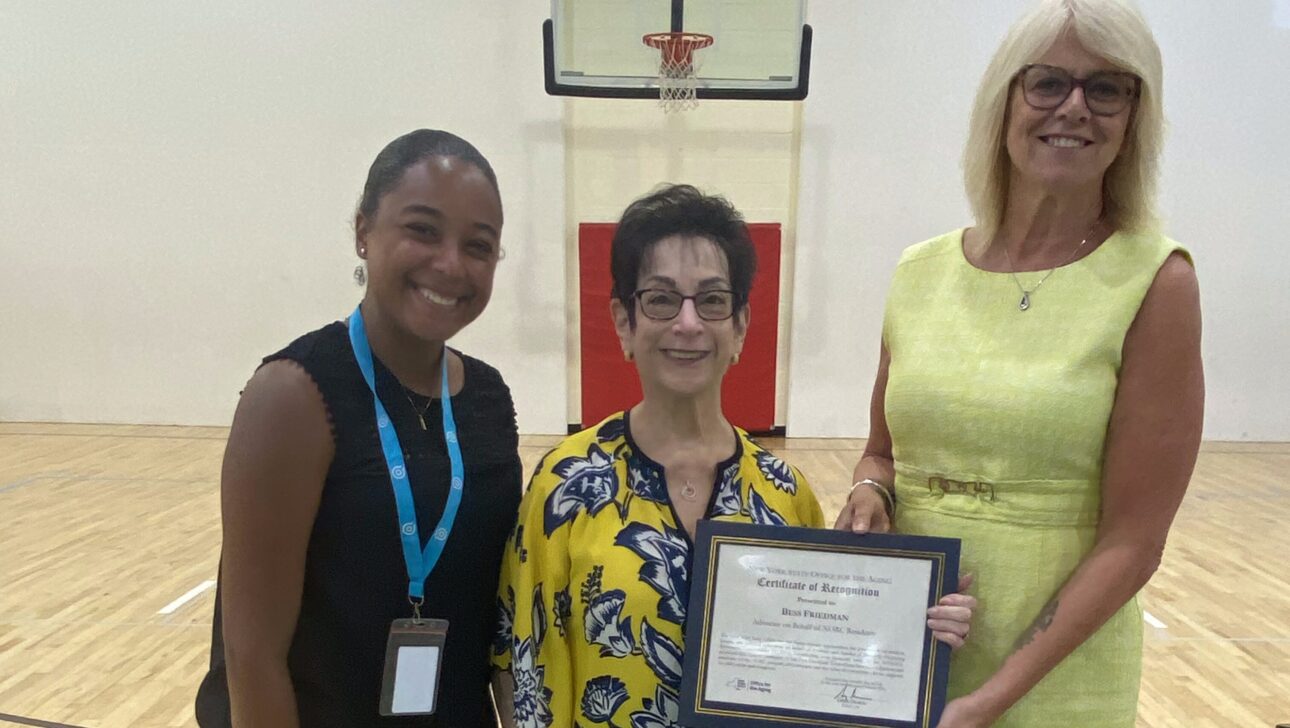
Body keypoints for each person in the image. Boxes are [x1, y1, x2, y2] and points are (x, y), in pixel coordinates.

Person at [835, 1, 1204, 725]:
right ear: (1004, 98)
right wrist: (870, 494)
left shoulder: (1158, 281)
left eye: (1107, 89)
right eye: (1048, 83)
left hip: (1055, 682)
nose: (1075, 107)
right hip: (908, 653)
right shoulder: (920, 271)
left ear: (1134, 117)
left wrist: (987, 700)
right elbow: (881, 454)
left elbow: (1134, 542)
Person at [492, 184, 976, 728]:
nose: (689, 323)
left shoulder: (784, 491)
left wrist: (908, 626)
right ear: (624, 322)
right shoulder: (567, 483)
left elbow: (818, 669)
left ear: (740, 326)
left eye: (713, 300)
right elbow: (523, 669)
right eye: (661, 298)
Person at [195, 129, 522, 727]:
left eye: (479, 245)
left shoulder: (489, 399)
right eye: (422, 230)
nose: (450, 264)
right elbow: (252, 655)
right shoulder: (292, 394)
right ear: (364, 231)